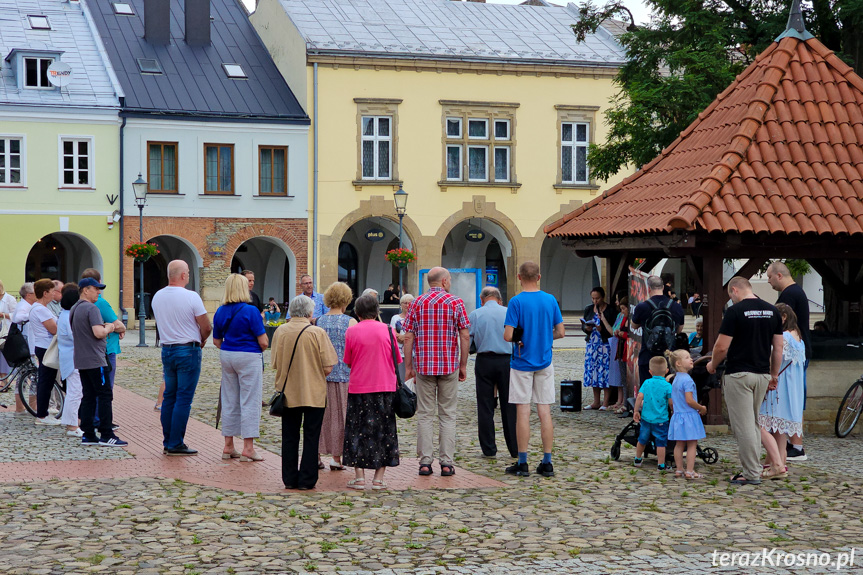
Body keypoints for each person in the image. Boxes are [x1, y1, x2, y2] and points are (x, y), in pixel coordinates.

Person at [707, 277, 783, 486]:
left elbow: (721, 347)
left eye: (730, 295)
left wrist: (712, 365)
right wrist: (774, 374)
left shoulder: (735, 311)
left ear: (734, 290)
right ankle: (754, 468)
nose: (731, 299)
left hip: (739, 373)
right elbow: (778, 348)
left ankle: (751, 472)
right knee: (754, 422)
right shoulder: (772, 311)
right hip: (762, 374)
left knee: (745, 426)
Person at [403, 267, 470, 477]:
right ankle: (447, 463)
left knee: (424, 414)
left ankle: (425, 462)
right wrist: (463, 364)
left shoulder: (416, 303)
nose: (449, 282)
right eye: (449, 279)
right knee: (447, 414)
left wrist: (408, 367)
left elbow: (408, 336)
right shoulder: (455, 302)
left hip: (423, 366)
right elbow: (465, 335)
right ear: (443, 282)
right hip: (449, 365)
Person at [503, 262, 565, 477]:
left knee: (522, 410)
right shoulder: (550, 300)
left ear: (519, 277)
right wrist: (546, 338)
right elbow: (561, 331)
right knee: (544, 410)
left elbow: (508, 336)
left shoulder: (516, 301)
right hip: (545, 361)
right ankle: (547, 461)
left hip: (521, 362)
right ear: (538, 277)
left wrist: (522, 337)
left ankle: (522, 462)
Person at [272, 295, 337, 490]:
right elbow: (328, 367)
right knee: (311, 436)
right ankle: (307, 479)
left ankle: (289, 478)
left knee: (289, 436)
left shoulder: (281, 331)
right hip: (313, 392)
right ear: (310, 312)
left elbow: (275, 362)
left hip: (288, 392)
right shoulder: (317, 332)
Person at [151, 260, 212, 456]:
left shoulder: (158, 296)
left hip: (167, 349)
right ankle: (176, 442)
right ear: (184, 275)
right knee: (183, 398)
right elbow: (206, 326)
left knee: (169, 396)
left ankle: (168, 440)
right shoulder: (191, 296)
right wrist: (202, 340)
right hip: (188, 349)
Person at [342, 294, 401, 490]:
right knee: (384, 432)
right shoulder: (387, 330)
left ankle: (359, 476)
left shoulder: (352, 331)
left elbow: (348, 361)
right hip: (384, 386)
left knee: (356, 430)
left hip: (359, 387)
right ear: (377, 312)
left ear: (357, 312)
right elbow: (396, 360)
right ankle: (379, 478)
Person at [213, 274, 268, 462]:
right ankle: (248, 448)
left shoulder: (220, 310)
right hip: (249, 355)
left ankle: (228, 445)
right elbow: (264, 341)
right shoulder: (251, 311)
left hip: (227, 355)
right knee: (250, 400)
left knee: (229, 399)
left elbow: (216, 340)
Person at [71, 278, 127, 446]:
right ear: (85, 290)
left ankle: (88, 433)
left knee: (88, 395)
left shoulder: (75, 308)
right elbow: (98, 333)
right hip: (96, 359)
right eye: (95, 289)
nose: (98, 292)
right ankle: (106, 434)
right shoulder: (91, 308)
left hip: (81, 358)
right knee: (104, 395)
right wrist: (109, 327)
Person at [766, 261, 811, 462]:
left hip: (788, 360)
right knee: (793, 398)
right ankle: (790, 446)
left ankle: (796, 445)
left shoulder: (789, 295)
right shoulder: (797, 292)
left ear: (779, 275)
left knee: (789, 399)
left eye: (769, 277)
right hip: (799, 351)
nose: (768, 282)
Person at [469, 286, 517, 459]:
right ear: (499, 300)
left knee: (485, 406)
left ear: (482, 300)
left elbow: (469, 340)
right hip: (507, 361)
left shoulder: (475, 314)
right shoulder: (508, 312)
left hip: (484, 360)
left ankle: (489, 449)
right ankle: (514, 447)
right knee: (510, 405)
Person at [758, 303, 805, 476]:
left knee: (763, 424)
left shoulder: (784, 337)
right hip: (791, 388)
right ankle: (775, 462)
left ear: (783, 317)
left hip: (779, 386)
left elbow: (774, 358)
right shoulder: (798, 336)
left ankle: (777, 464)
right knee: (780, 430)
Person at [317, 281, 357, 471]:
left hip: (322, 376)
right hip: (344, 374)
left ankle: (316, 455)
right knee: (341, 418)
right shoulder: (350, 322)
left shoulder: (319, 321)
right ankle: (336, 457)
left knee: (321, 417)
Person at [81, 268, 124, 429]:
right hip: (106, 350)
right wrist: (119, 328)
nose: (99, 291)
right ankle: (100, 420)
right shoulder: (100, 303)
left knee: (90, 390)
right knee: (105, 387)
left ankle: (93, 418)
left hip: (90, 351)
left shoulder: (79, 305)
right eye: (98, 288)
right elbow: (118, 324)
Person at [631, 275, 685, 384]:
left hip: (647, 357)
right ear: (663, 288)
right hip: (669, 356)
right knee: (668, 391)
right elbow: (679, 330)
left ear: (648, 288)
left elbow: (634, 325)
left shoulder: (642, 307)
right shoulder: (676, 306)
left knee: (648, 390)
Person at [666, 349, 707, 479]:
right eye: (687, 357)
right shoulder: (688, 380)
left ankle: (679, 469)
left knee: (679, 444)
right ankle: (690, 470)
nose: (691, 359)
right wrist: (701, 407)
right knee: (692, 444)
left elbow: (672, 400)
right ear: (678, 363)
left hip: (678, 415)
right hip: (689, 416)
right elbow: (689, 400)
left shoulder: (676, 379)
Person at [632, 356, 672, 471]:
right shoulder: (667, 386)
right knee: (661, 443)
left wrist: (636, 411)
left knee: (642, 439)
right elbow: (671, 402)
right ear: (667, 371)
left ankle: (638, 459)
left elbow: (639, 396)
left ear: (650, 372)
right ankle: (661, 465)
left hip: (646, 418)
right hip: (661, 419)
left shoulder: (647, 382)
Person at [30, 279, 61, 425]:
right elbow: (53, 329)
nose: (54, 293)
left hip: (44, 346)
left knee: (47, 380)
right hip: (46, 347)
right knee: (46, 381)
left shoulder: (41, 307)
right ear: (45, 293)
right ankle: (42, 415)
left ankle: (43, 413)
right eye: (52, 291)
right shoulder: (40, 309)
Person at [582, 286, 618, 410]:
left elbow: (613, 329)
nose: (595, 301)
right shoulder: (588, 309)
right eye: (593, 298)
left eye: (597, 298)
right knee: (593, 371)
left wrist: (601, 329)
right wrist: (586, 329)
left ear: (602, 297)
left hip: (604, 344)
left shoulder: (610, 310)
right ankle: (596, 401)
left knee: (605, 371)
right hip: (592, 344)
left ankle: (605, 402)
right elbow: (584, 324)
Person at [57, 284, 83, 437]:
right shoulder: (69, 317)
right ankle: (73, 426)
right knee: (75, 392)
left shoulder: (64, 314)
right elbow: (76, 336)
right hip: (73, 358)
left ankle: (69, 423)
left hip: (69, 357)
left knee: (74, 392)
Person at [11, 283, 35, 413]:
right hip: (26, 348)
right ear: (29, 295)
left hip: (27, 347)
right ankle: (26, 407)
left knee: (24, 378)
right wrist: (32, 315)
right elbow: (18, 318)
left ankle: (23, 408)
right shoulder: (24, 306)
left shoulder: (28, 305)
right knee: (29, 378)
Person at [610, 296, 630, 413]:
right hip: (621, 350)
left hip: (627, 351)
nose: (622, 311)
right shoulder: (624, 318)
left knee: (628, 379)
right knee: (623, 379)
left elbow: (632, 335)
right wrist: (618, 333)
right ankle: (624, 402)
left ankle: (627, 403)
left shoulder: (631, 319)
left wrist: (623, 334)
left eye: (623, 309)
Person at [389, 293, 415, 381]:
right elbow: (393, 332)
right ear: (401, 304)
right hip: (399, 352)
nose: (407, 305)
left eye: (409, 303)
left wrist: (405, 338)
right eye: (405, 303)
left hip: (413, 353)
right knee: (401, 377)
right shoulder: (395, 318)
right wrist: (406, 338)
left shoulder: (416, 318)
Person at [0, 279, 18, 379]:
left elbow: (15, 315)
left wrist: (3, 315)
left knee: (4, 355)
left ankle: (5, 378)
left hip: (5, 330)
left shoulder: (9, 299)